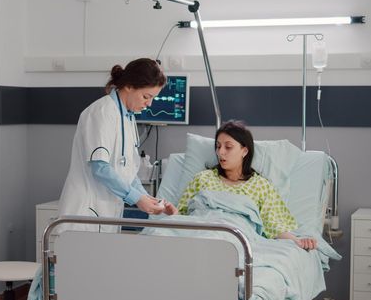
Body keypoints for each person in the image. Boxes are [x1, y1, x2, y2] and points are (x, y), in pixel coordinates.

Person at [58, 58, 177, 225]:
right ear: (129, 86)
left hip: (107, 212)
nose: (149, 104)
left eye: (152, 99)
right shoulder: (101, 112)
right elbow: (100, 167)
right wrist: (137, 198)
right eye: (146, 96)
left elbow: (127, 171)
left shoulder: (128, 117)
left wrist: (149, 199)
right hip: (86, 209)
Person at [170, 120, 317, 250]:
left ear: (244, 151)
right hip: (198, 232)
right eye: (218, 146)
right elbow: (183, 217)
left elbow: (273, 226)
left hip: (232, 237)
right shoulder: (203, 178)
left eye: (228, 147)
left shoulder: (260, 185)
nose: (220, 152)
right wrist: (171, 212)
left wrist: (297, 240)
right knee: (157, 233)